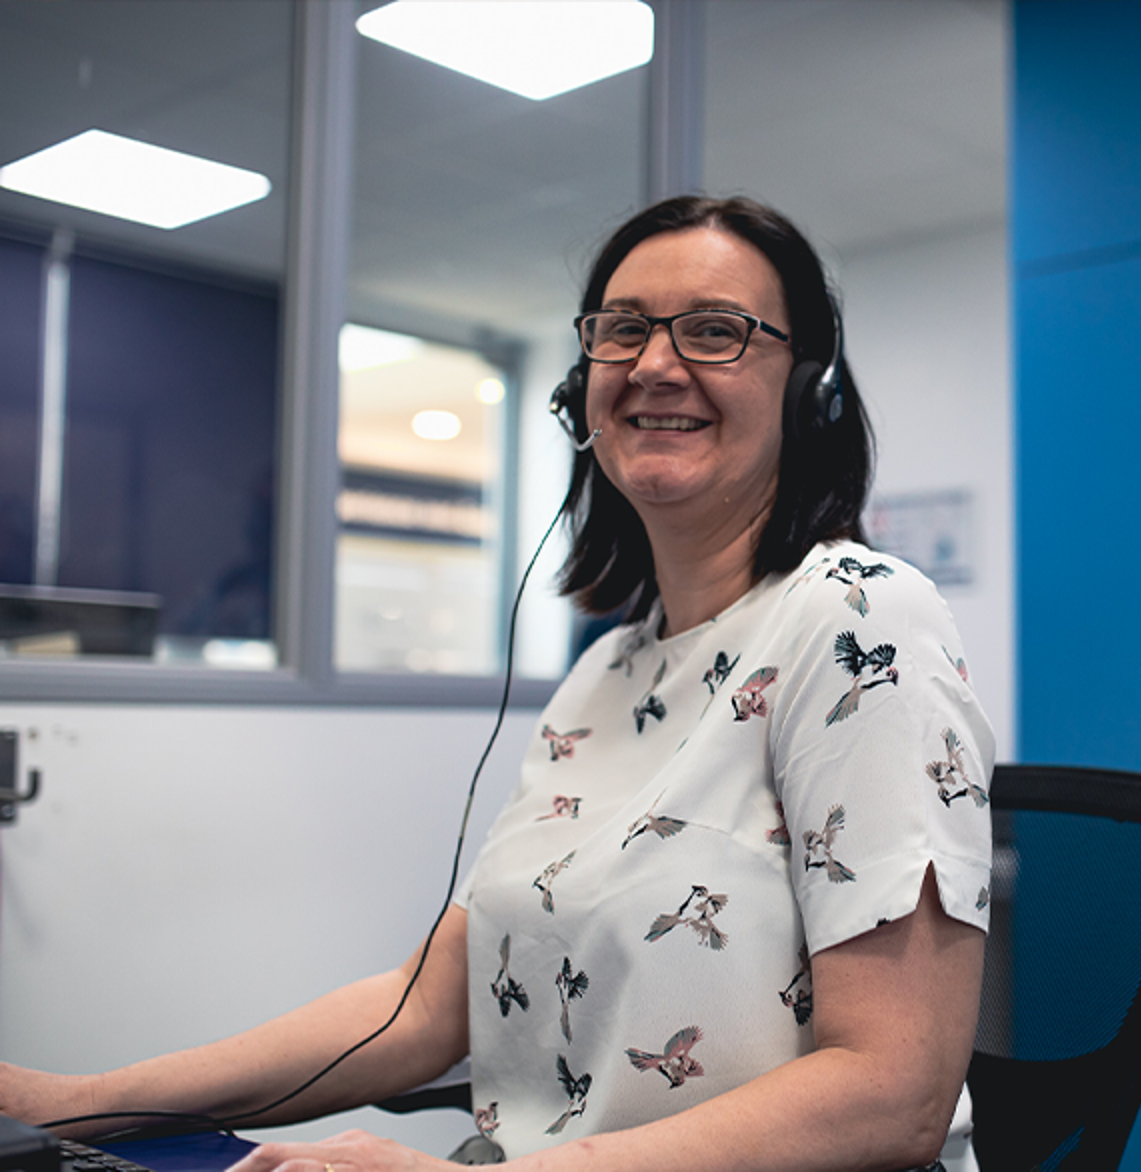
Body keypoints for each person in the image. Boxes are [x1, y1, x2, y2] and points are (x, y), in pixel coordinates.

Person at [0, 196, 994, 1172]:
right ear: (580, 386)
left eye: (714, 331)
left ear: (808, 386)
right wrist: (78, 1105)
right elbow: (432, 1004)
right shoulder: (610, 669)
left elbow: (891, 1089)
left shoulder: (860, 617)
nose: (654, 363)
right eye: (621, 330)